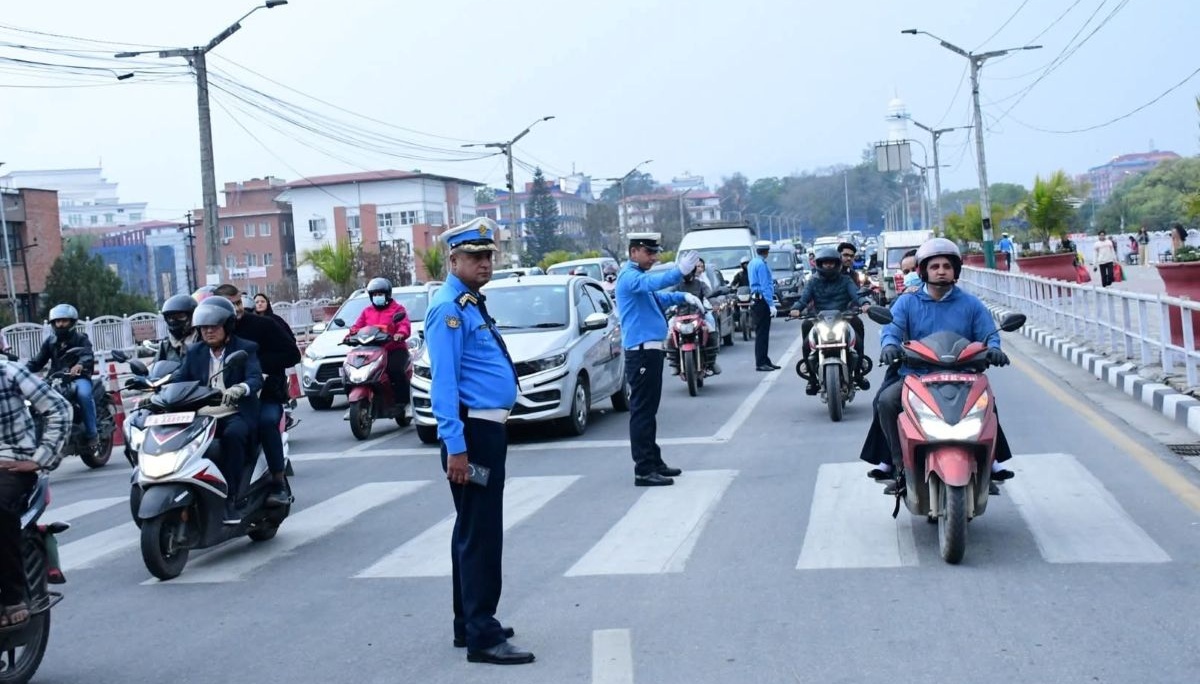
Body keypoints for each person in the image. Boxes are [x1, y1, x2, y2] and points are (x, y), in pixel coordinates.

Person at [425, 217, 533, 665]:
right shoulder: (448, 308)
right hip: (473, 434)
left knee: (470, 531)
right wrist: (456, 445)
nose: (484, 262)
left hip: (485, 430)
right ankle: (482, 635)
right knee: (481, 534)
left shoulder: (468, 303)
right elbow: (444, 384)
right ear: (453, 260)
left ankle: (467, 622)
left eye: (488, 255)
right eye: (474, 256)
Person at [863, 238, 1014, 490]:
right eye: (935, 266)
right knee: (887, 401)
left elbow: (989, 334)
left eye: (947, 265)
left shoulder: (971, 304)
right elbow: (892, 329)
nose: (941, 270)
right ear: (923, 270)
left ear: (956, 270)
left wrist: (995, 350)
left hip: (964, 374)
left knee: (988, 402)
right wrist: (889, 346)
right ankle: (900, 466)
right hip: (917, 375)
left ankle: (990, 460)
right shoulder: (907, 302)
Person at [615, 232, 702, 487]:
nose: (654, 257)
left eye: (655, 252)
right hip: (641, 351)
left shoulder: (638, 278)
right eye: (649, 252)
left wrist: (683, 296)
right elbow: (653, 285)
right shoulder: (630, 277)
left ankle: (654, 460)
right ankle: (643, 469)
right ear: (633, 252)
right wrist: (678, 272)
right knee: (642, 411)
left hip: (649, 350)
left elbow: (658, 298)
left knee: (649, 410)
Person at [173, 298, 263, 524]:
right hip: (202, 416)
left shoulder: (245, 348)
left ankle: (231, 498)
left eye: (214, 327)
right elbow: (179, 379)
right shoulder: (194, 352)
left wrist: (240, 388)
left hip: (233, 412)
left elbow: (254, 378)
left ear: (228, 326)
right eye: (204, 328)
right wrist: (154, 391)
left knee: (233, 437)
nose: (208, 332)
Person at [0, 358, 71, 627]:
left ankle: (12, 596)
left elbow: (59, 408)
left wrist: (40, 458)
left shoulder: (8, 371)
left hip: (10, 464)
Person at [213, 285, 298, 507]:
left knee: (266, 422)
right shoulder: (209, 334)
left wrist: (258, 368)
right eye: (231, 304)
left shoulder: (264, 325)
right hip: (223, 401)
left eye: (239, 303)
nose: (237, 309)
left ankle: (278, 482)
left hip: (265, 393)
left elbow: (292, 354)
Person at [788, 247, 871, 394]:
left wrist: (864, 304)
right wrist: (796, 309)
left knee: (858, 324)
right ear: (819, 264)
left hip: (843, 317)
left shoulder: (846, 280)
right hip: (819, 319)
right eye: (825, 263)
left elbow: (857, 295)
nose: (828, 266)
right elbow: (803, 300)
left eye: (831, 263)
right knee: (806, 330)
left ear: (837, 264)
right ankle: (811, 378)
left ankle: (858, 372)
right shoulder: (813, 282)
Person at [27, 304, 97, 451]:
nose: (60, 324)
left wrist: (79, 365)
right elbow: (38, 361)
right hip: (56, 378)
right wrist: (20, 370)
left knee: (83, 395)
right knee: (35, 399)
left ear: (72, 322)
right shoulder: (50, 342)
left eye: (64, 321)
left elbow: (87, 355)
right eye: (57, 321)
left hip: (78, 377)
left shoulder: (81, 339)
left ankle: (92, 433)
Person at [347, 277, 412, 415]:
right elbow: (357, 326)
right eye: (374, 295)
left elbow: (404, 325)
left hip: (394, 349)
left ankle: (403, 402)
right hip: (372, 349)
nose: (377, 297)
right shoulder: (367, 312)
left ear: (387, 295)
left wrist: (400, 333)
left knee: (395, 370)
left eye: (380, 294)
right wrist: (350, 334)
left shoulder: (397, 309)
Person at [670, 258, 720, 375]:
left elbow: (710, 295)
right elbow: (668, 297)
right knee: (668, 335)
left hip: (698, 316)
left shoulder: (700, 284)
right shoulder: (677, 286)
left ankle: (711, 362)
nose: (686, 274)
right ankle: (674, 363)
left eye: (688, 271)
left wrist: (715, 304)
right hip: (679, 317)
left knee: (711, 330)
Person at [748, 240, 779, 371]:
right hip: (762, 301)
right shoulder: (761, 265)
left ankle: (765, 359)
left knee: (762, 332)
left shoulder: (752, 262)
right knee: (762, 333)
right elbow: (765, 285)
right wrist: (771, 304)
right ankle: (761, 362)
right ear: (767, 252)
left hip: (756, 300)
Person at [155, 294, 200, 363]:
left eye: (180, 317)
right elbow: (156, 365)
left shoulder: (202, 340)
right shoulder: (166, 345)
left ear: (192, 317)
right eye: (171, 318)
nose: (175, 321)